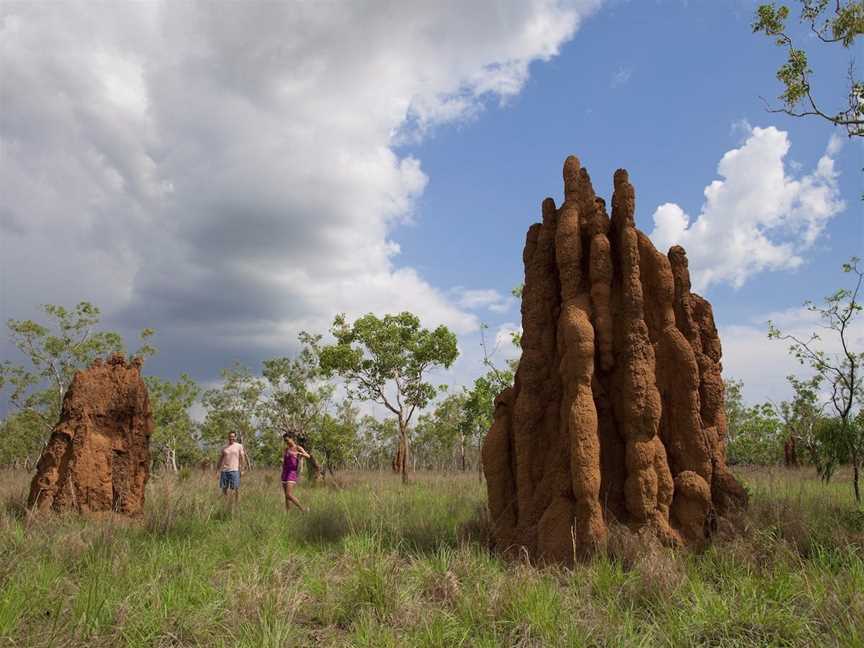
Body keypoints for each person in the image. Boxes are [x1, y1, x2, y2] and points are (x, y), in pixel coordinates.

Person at [217, 431, 248, 508]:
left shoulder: (239, 446)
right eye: (230, 436)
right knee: (224, 489)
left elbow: (242, 458)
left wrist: (242, 469)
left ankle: (236, 504)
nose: (231, 438)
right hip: (224, 471)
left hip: (234, 470)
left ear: (235, 437)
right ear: (228, 437)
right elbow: (220, 459)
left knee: (235, 488)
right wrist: (217, 470)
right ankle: (226, 504)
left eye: (233, 436)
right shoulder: (224, 447)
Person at [281, 434, 310, 512]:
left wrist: (300, 454)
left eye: (287, 440)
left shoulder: (298, 448)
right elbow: (284, 461)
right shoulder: (286, 449)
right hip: (284, 472)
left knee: (288, 494)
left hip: (292, 472)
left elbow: (308, 456)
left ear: (292, 438)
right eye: (285, 441)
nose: (286, 442)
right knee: (286, 496)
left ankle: (303, 509)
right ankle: (288, 512)